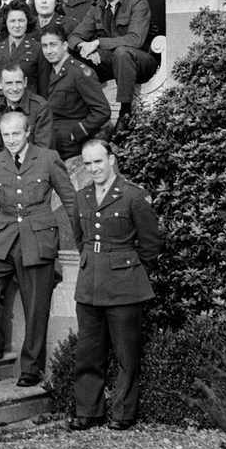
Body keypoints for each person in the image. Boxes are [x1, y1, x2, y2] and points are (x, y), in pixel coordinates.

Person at [0, 111, 79, 387]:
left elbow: (70, 199)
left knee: (36, 304)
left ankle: (30, 369)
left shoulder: (47, 158)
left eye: (16, 134)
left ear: (28, 132)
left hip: (37, 238)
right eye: (6, 134)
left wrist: (78, 239)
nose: (11, 140)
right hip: (3, 237)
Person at [69, 138, 161, 432]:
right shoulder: (81, 197)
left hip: (123, 285)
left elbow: (150, 246)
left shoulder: (134, 196)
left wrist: (130, 273)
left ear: (111, 159)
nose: (94, 168)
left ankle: (122, 413)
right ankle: (88, 411)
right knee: (88, 352)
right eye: (88, 163)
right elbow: (79, 238)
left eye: (98, 161)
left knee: (126, 354)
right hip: (89, 283)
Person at [68, 0, 158, 122]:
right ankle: (85, 110)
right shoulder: (98, 6)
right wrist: (86, 48)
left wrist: (97, 43)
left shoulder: (136, 0)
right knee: (71, 54)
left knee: (122, 52)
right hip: (112, 61)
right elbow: (74, 37)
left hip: (142, 61)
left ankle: (125, 115)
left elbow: (135, 40)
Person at [36, 31, 111, 169]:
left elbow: (102, 111)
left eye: (53, 45)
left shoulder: (80, 72)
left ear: (65, 46)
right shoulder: (50, 71)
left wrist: (76, 132)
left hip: (70, 144)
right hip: (53, 138)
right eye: (44, 46)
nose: (48, 51)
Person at [0, 64, 55, 161]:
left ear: (25, 82)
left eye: (18, 82)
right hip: (1, 165)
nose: (14, 88)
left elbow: (43, 150)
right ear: (0, 84)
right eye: (9, 83)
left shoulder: (40, 107)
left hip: (30, 167)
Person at [0, 4, 40, 99]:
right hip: (2, 107)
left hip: (29, 107)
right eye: (12, 21)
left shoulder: (37, 48)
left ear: (28, 22)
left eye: (21, 20)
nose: (17, 25)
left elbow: (43, 86)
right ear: (5, 23)